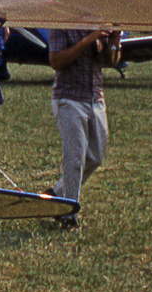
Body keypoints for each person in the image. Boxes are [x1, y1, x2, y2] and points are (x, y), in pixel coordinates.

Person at [47, 26, 121, 229]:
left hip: (95, 98)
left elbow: (110, 61)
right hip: (68, 98)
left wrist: (113, 44)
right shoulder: (61, 22)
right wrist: (86, 41)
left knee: (95, 156)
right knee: (75, 158)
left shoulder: (99, 23)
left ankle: (56, 194)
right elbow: (55, 61)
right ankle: (68, 216)